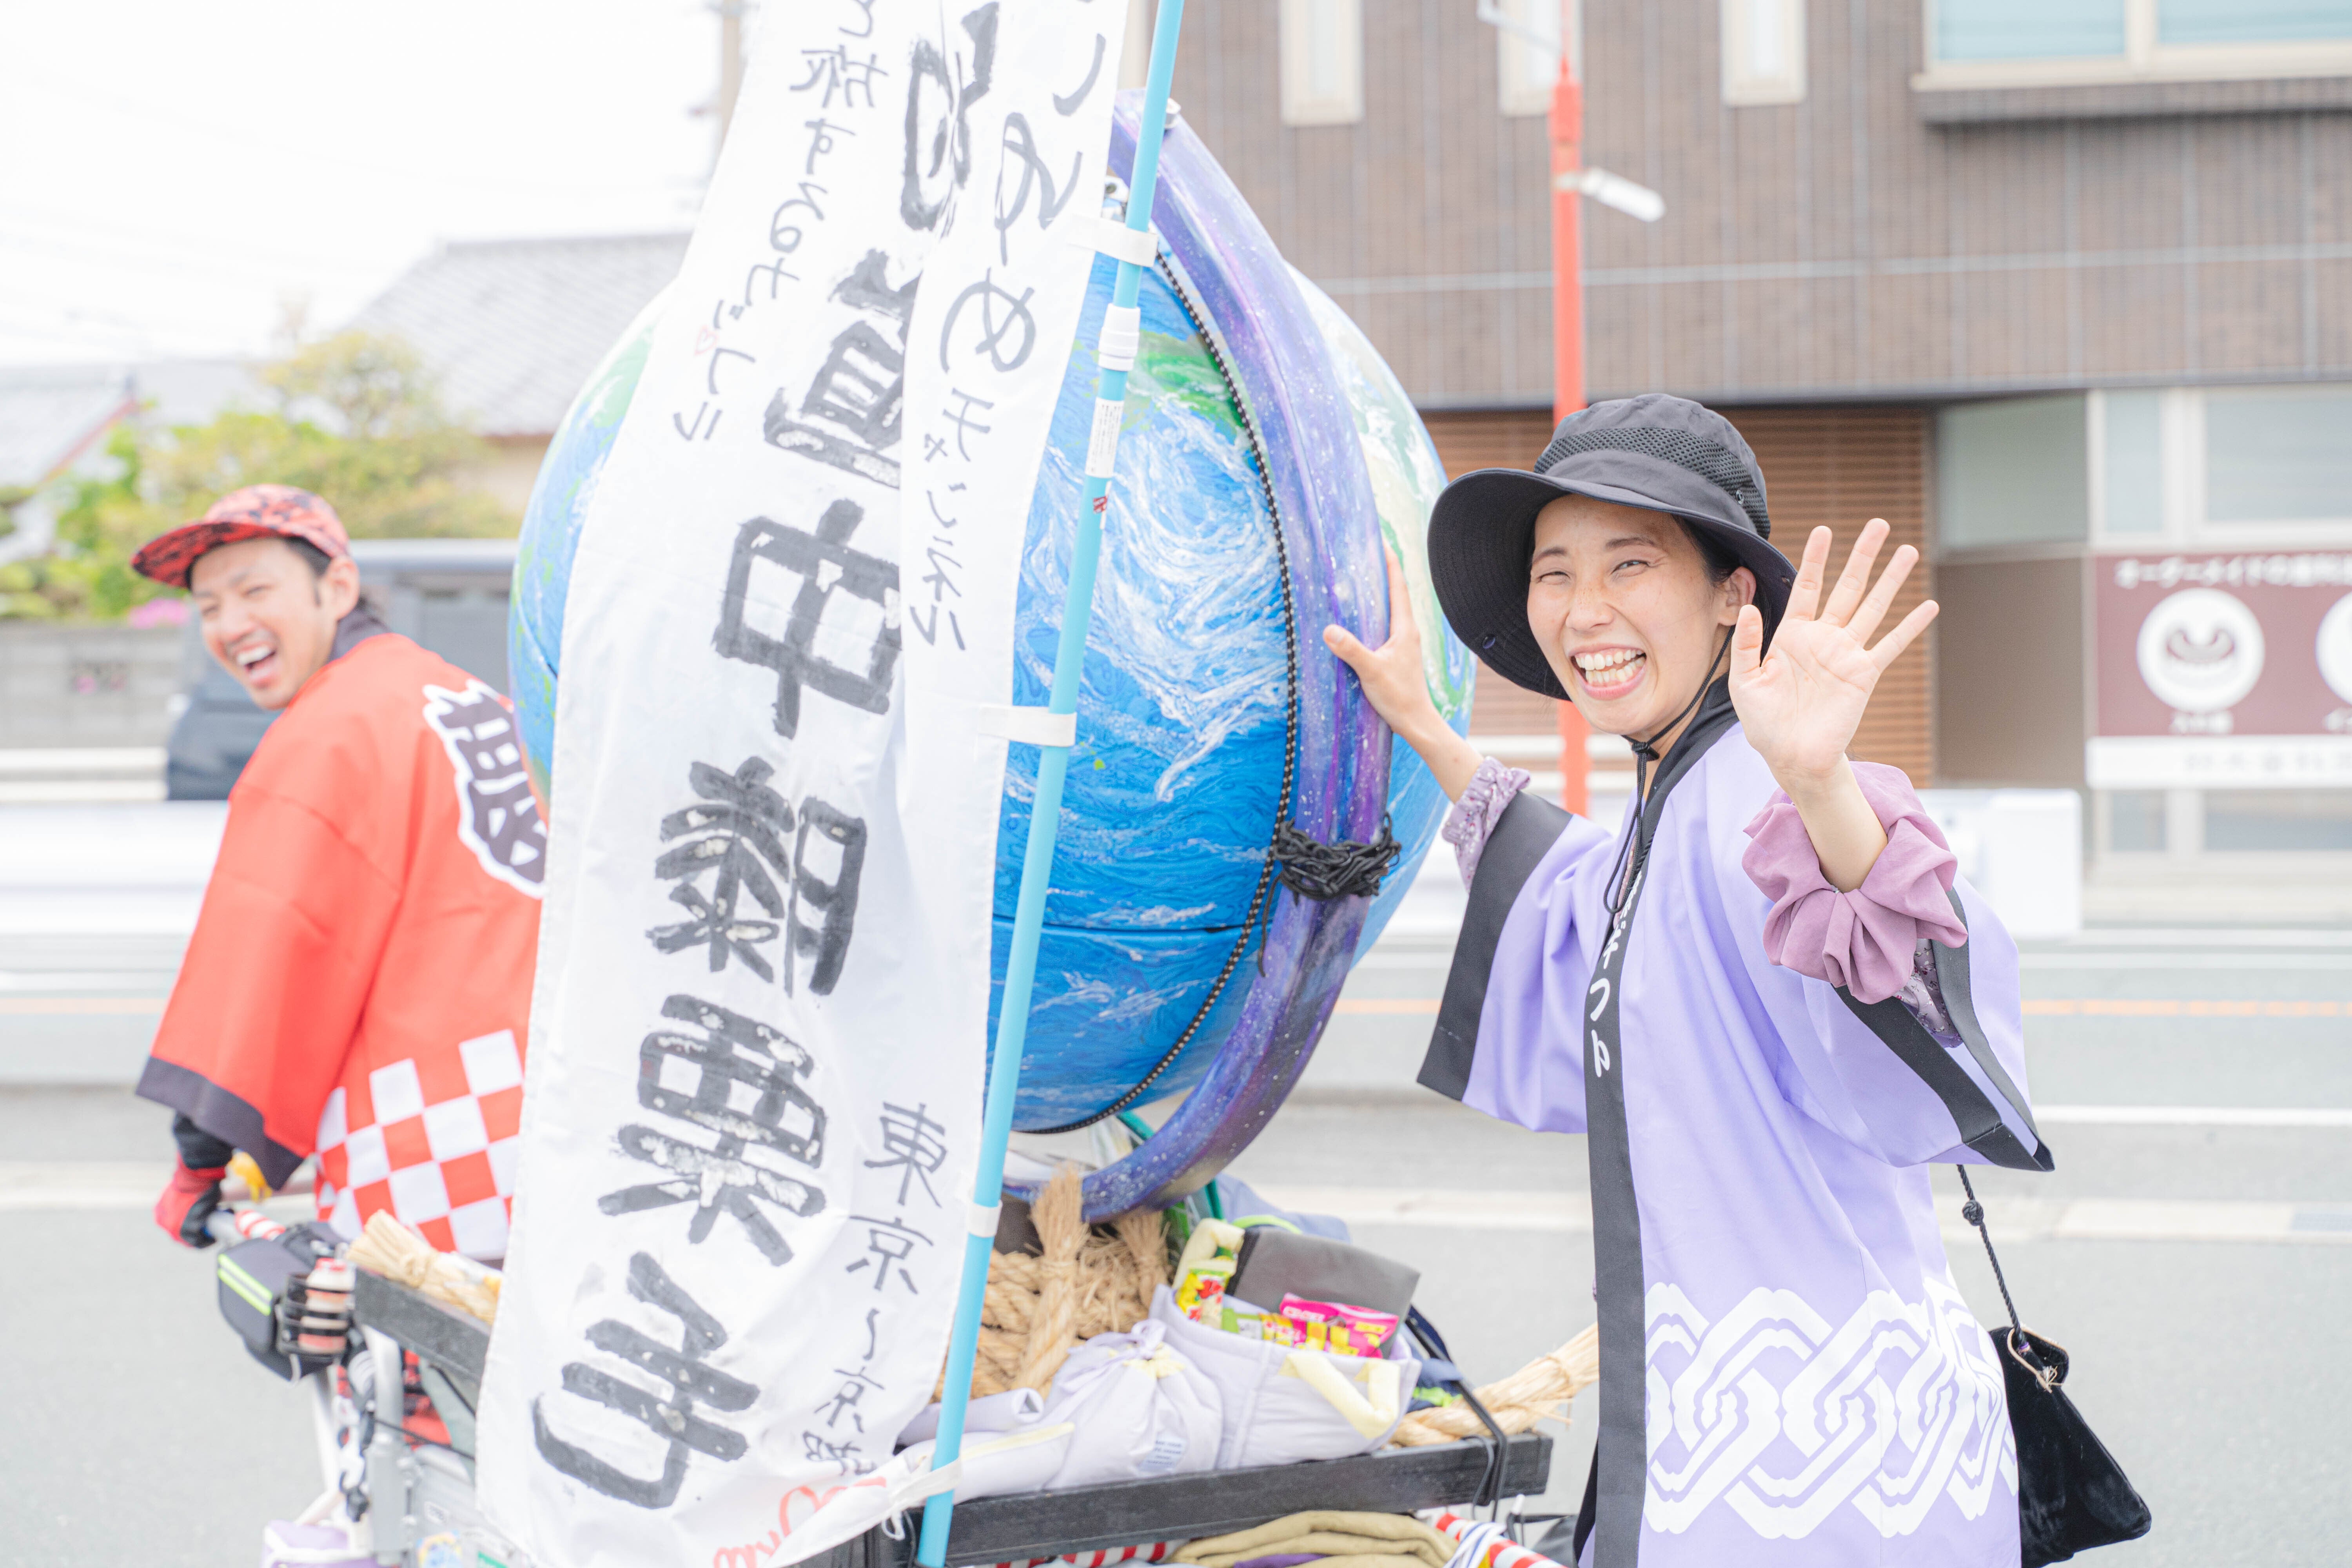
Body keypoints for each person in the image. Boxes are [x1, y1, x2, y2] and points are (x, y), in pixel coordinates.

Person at [1325, 396, 2047, 1567]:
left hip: (1813, 1488)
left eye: (1630, 563)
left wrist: (1824, 787)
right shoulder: (1677, 797)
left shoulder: (1768, 797)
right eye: (1554, 573)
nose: (1584, 609)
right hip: (1786, 1439)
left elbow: (1905, 964)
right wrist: (1420, 719)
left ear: (1731, 595)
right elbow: (1570, 889)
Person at [132, 485, 547, 1261]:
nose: (231, 625)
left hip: (439, 1146)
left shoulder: (331, 730)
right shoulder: (474, 701)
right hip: (564, 1114)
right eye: (209, 607)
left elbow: (268, 960)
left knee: (401, 1337)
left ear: (340, 586)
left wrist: (200, 1163)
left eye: (256, 590)